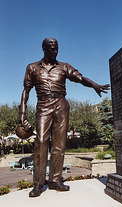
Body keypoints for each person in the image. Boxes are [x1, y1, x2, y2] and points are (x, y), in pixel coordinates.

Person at [19, 37, 110, 197]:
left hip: (61, 104)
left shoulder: (64, 67)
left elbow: (80, 78)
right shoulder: (32, 67)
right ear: (44, 49)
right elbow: (26, 91)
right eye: (52, 48)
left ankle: (55, 180)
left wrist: (94, 84)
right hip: (43, 104)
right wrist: (22, 114)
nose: (55, 51)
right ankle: (38, 184)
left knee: (60, 144)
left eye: (57, 48)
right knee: (41, 143)